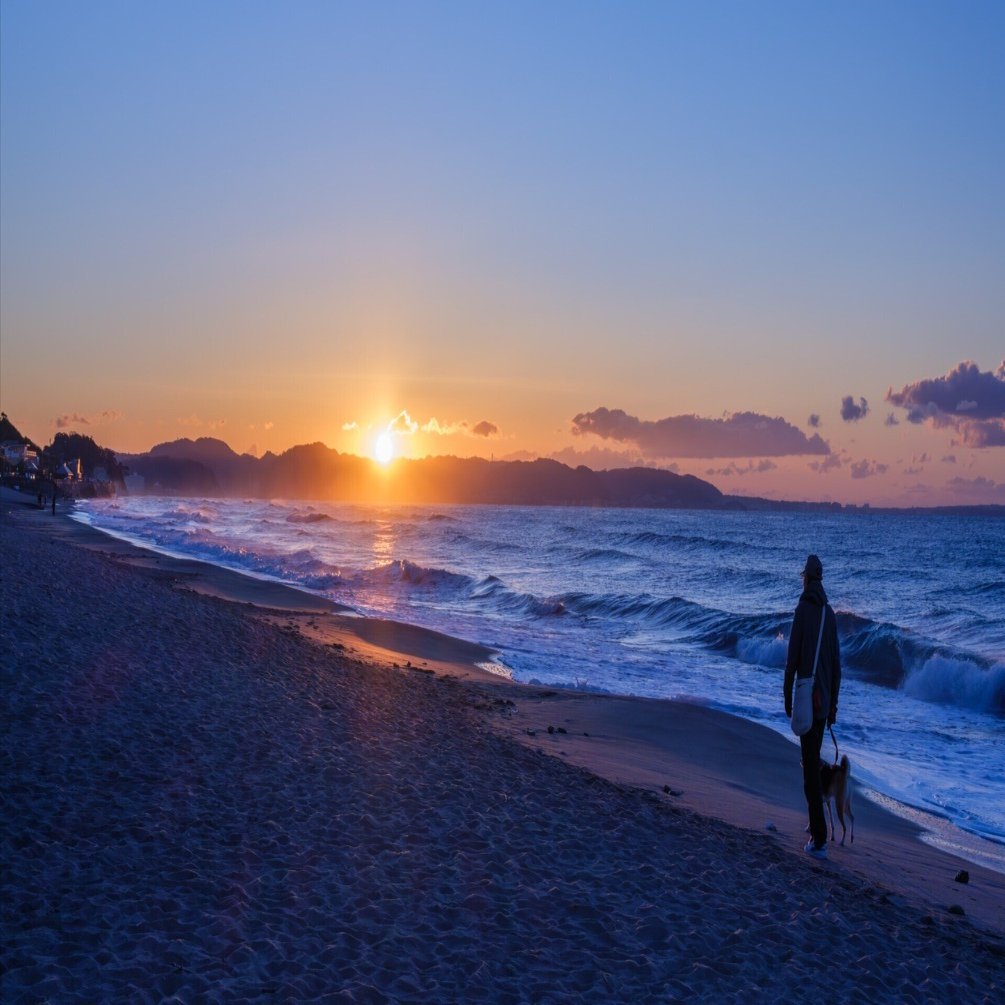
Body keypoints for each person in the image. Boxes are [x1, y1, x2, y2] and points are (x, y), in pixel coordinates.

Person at [784, 553, 841, 860]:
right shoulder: (829, 614)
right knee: (813, 760)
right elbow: (837, 666)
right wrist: (833, 707)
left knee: (809, 771)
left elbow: (792, 657)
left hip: (807, 701)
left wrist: (786, 694)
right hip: (824, 702)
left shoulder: (802, 610)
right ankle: (815, 824)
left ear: (806, 579)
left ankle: (819, 840)